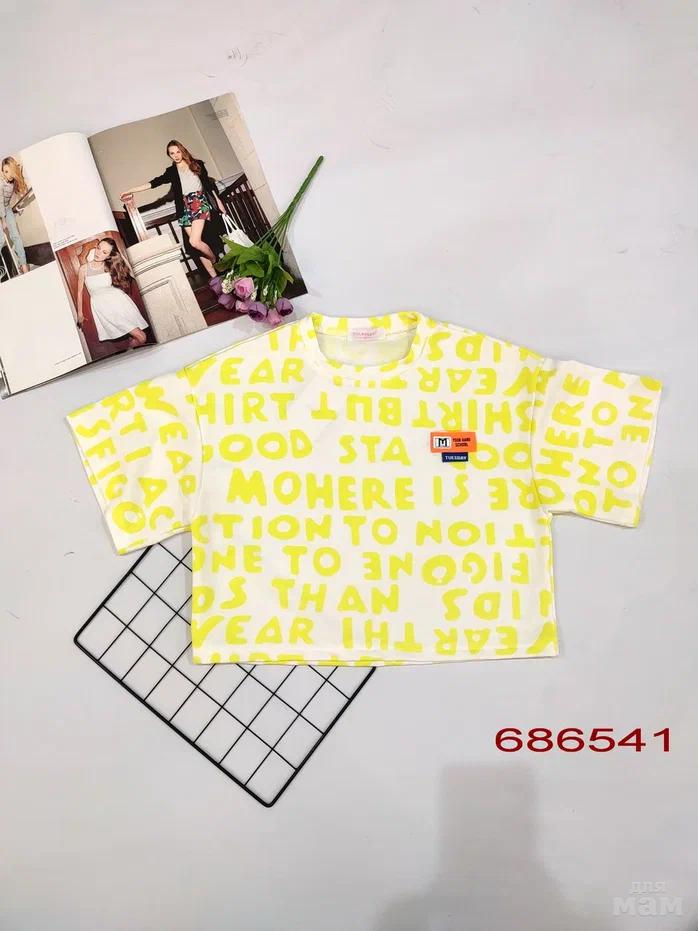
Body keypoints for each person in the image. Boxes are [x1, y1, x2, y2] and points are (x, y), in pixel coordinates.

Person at [120, 140, 226, 284]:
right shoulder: (171, 171)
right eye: (172, 153)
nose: (176, 155)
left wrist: (219, 202)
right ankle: (215, 280)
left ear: (183, 151)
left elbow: (208, 185)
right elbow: (154, 183)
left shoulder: (197, 164)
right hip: (183, 207)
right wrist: (130, 190)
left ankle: (215, 260)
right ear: (169, 155)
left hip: (198, 202)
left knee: (194, 242)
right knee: (196, 246)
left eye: (178, 152)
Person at [76, 237, 148, 348]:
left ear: (109, 256)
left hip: (121, 303)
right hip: (104, 307)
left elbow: (132, 273)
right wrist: (79, 313)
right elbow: (79, 292)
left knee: (140, 336)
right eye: (98, 248)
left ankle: (132, 351)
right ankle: (132, 351)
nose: (98, 253)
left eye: (104, 252)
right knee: (141, 337)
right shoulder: (83, 269)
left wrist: (121, 255)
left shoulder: (109, 267)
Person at [0, 157, 30, 274]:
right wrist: (3, 220)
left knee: (16, 236)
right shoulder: (1, 182)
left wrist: (19, 207)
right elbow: (1, 201)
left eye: (10, 170)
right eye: (5, 171)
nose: (8, 174)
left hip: (6, 208)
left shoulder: (13, 180)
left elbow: (18, 192)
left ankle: (24, 265)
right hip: (1, 208)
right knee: (1, 239)